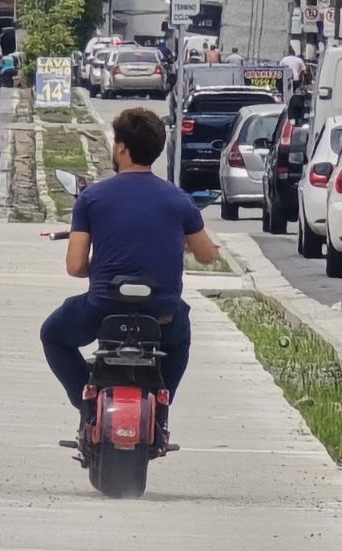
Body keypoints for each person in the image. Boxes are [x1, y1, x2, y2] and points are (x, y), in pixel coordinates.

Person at [41, 108, 219, 439]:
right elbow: (207, 255)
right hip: (161, 314)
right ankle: (161, 409)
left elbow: (75, 266)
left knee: (52, 334)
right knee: (180, 339)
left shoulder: (92, 198)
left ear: (122, 148)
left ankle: (86, 402)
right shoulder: (180, 201)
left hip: (103, 309)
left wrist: (100, 270)